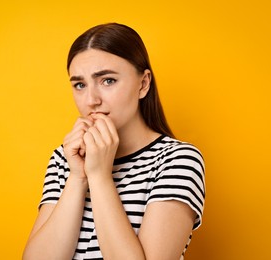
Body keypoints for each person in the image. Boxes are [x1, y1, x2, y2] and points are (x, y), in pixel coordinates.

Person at [23, 23, 205, 260]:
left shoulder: (178, 160)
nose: (91, 100)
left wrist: (99, 176)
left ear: (143, 84)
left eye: (107, 81)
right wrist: (78, 177)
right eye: (80, 85)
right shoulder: (64, 158)